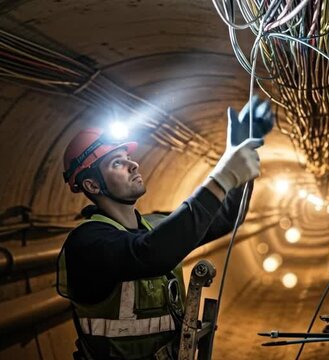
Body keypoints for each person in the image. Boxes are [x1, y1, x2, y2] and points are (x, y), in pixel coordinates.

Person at [56, 98, 274, 360]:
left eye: (128, 157)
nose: (133, 164)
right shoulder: (87, 243)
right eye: (116, 162)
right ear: (92, 186)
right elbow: (150, 254)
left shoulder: (153, 225)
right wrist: (223, 176)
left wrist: (241, 165)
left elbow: (226, 219)